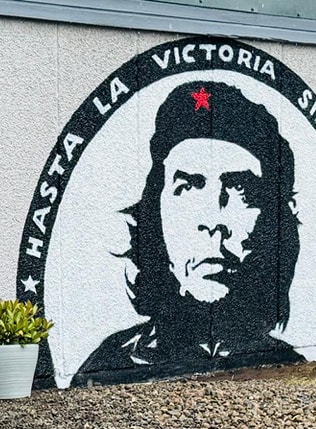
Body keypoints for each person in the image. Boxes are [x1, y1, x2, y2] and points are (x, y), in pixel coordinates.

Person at [72, 81, 304, 385]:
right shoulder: (108, 367)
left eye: (241, 191)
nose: (213, 220)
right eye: (189, 188)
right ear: (155, 217)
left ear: (273, 225)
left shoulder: (287, 370)